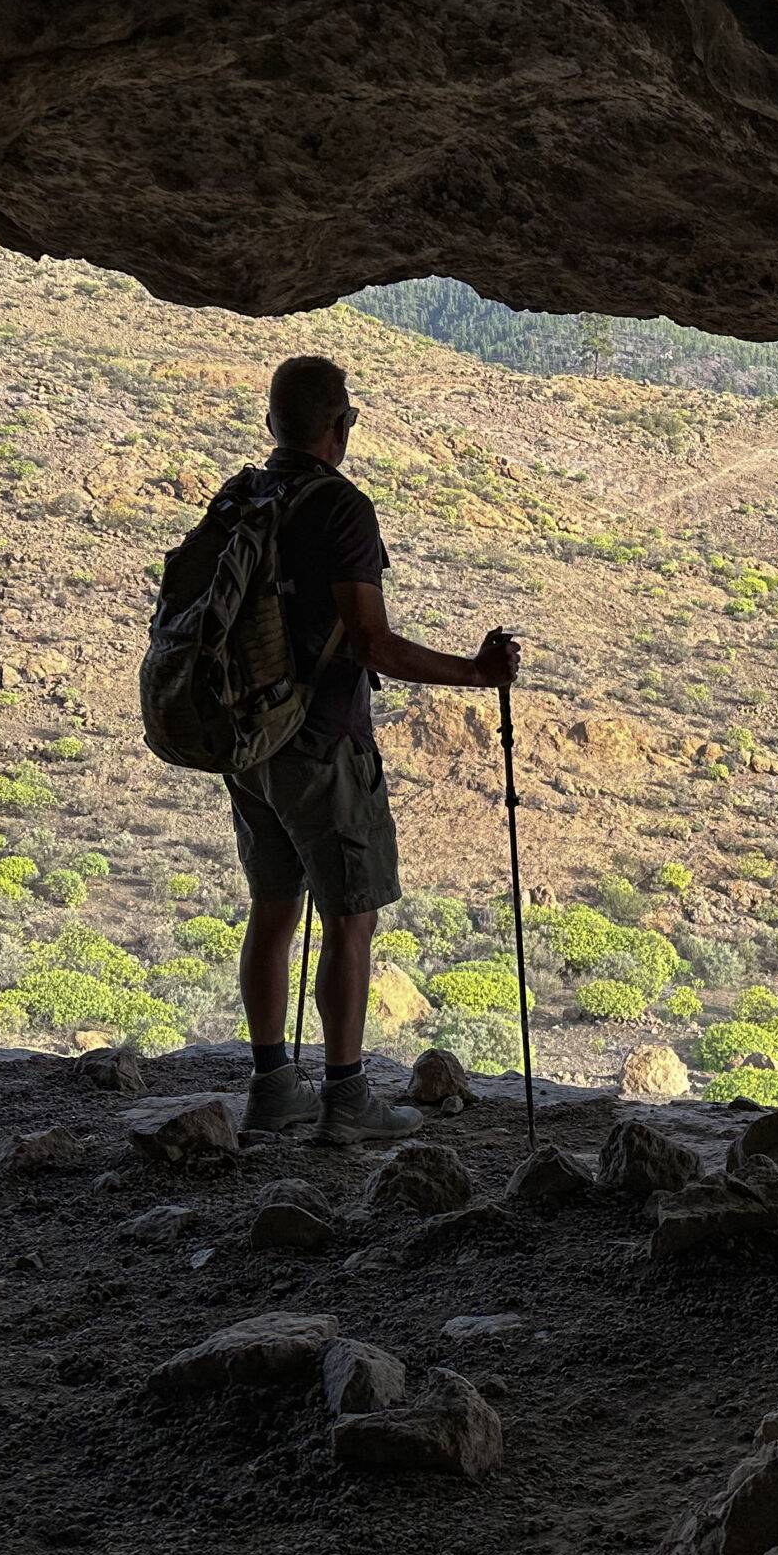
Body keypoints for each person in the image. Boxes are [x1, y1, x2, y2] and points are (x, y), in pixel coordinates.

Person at [232, 354, 519, 1142]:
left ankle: (270, 1089)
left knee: (273, 909)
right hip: (321, 744)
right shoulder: (341, 510)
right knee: (351, 916)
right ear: (342, 425)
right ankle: (347, 1098)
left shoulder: (247, 496)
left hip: (250, 741)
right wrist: (476, 672)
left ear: (273, 425)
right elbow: (370, 642)